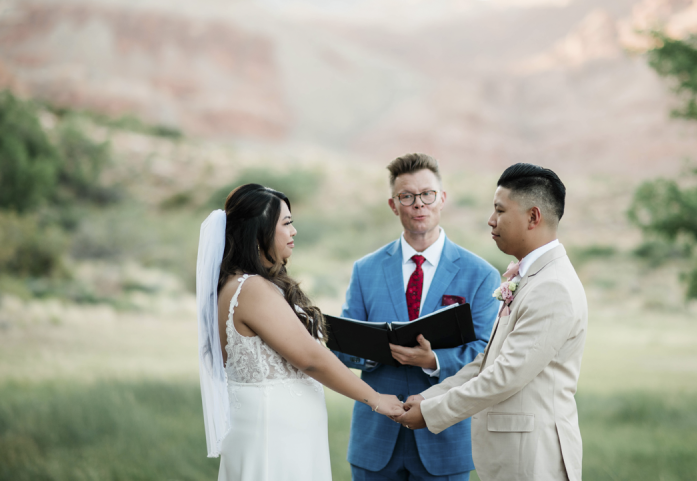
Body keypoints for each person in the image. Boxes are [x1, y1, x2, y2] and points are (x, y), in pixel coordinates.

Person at [196, 184, 404, 481]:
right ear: (258, 232)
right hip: (273, 437)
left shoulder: (238, 283)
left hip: (276, 430)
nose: (294, 231)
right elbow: (310, 358)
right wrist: (375, 398)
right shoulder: (252, 289)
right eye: (286, 224)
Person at [397, 163, 589, 481]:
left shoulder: (552, 286)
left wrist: (431, 413)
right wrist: (430, 396)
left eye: (500, 210)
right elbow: (488, 362)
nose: (491, 220)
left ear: (533, 217)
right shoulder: (532, 276)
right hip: (511, 455)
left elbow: (505, 376)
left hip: (532, 459)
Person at [336, 153, 501, 481]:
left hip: (444, 437)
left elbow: (486, 352)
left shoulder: (481, 274)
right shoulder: (365, 269)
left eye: (427, 194)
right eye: (407, 196)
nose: (418, 204)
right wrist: (373, 353)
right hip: (375, 437)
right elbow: (342, 345)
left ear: (442, 198)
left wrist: (434, 361)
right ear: (393, 204)